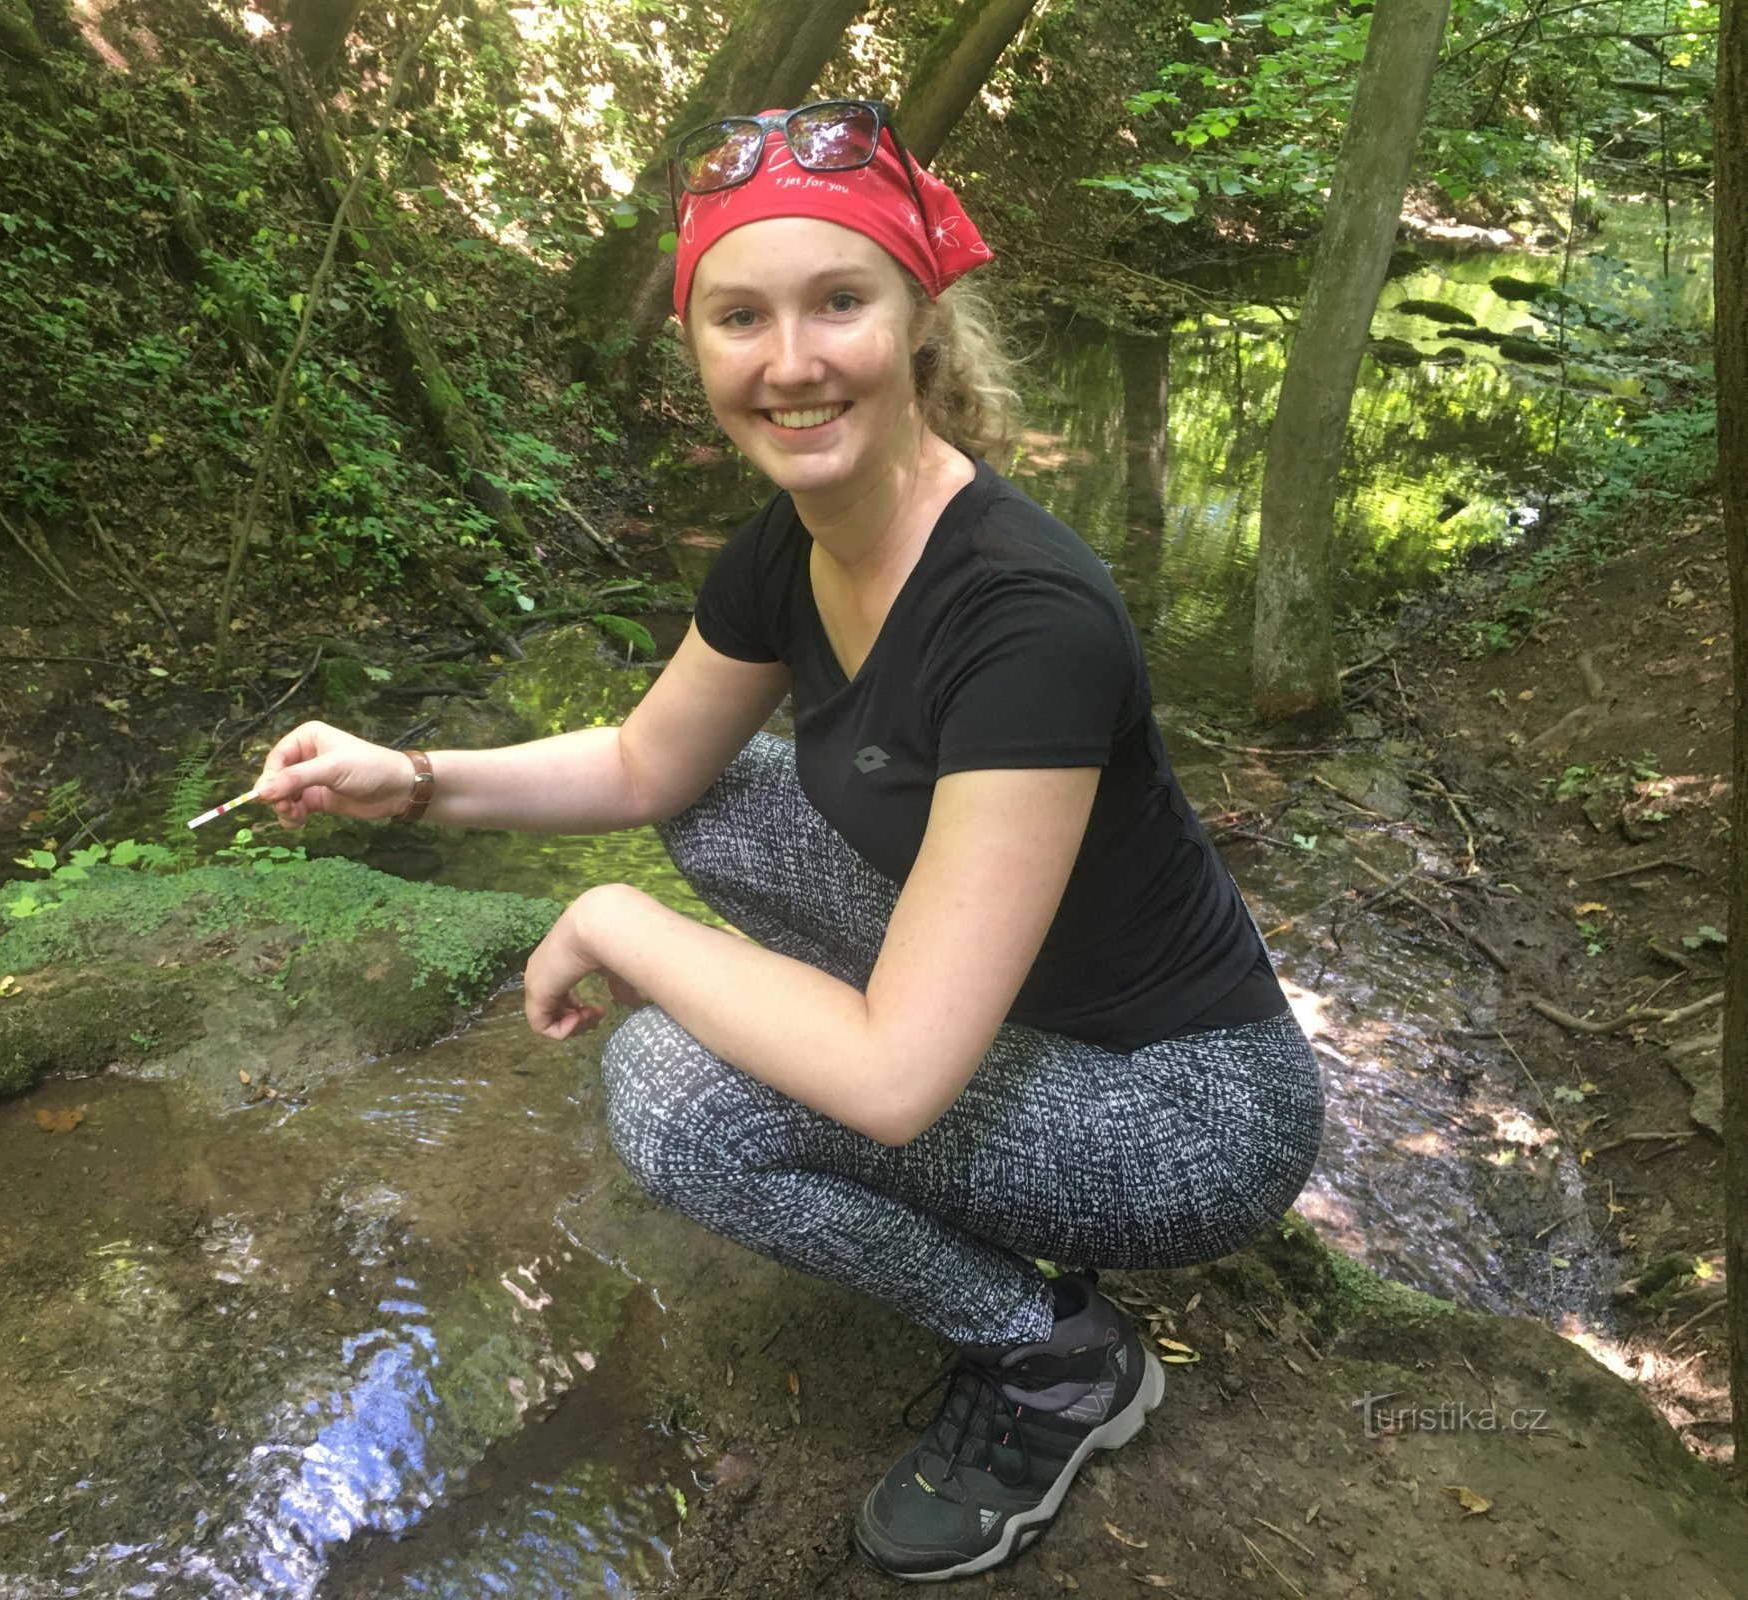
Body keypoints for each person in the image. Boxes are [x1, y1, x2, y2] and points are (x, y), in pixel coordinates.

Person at [251, 99, 1326, 1583]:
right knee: (715, 788)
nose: (790, 361)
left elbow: (891, 1085)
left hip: (1185, 1109)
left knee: (675, 1095)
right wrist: (413, 776)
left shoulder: (1027, 619)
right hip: (1023, 1012)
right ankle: (916, 1086)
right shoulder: (792, 541)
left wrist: (625, 928)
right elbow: (644, 759)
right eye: (739, 317)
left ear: (916, 325)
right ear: (695, 347)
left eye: (838, 303)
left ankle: (1056, 1360)